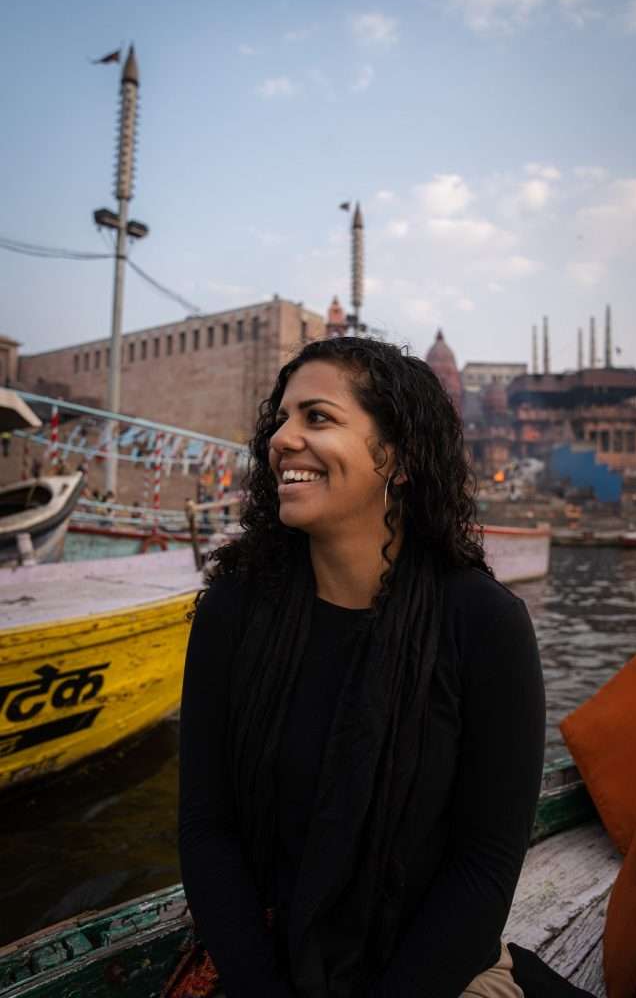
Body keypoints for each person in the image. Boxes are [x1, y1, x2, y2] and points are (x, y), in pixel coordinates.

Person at [178, 337, 589, 998]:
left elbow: (482, 866)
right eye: (280, 419)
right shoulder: (234, 609)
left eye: (316, 417)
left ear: (395, 458)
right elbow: (206, 828)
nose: (281, 439)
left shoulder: (482, 625)